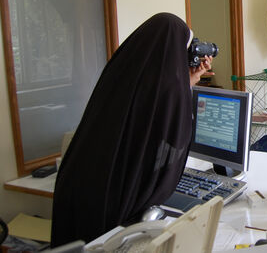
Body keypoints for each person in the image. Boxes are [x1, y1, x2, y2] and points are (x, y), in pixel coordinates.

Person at [51, 13, 213, 247]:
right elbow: (170, 156)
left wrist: (186, 82)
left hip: (77, 189)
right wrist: (183, 89)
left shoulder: (125, 74)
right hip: (110, 206)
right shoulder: (169, 93)